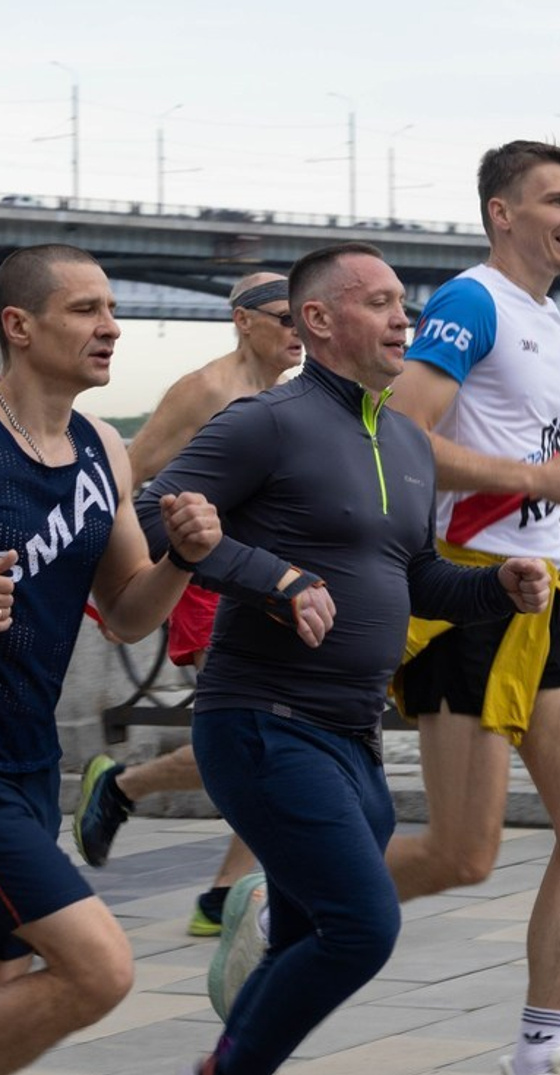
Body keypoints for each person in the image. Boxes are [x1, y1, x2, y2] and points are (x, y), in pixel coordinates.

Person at [137, 241, 550, 1075]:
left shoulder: (402, 441)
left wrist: (501, 588)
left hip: (351, 733)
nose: (404, 319)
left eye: (404, 302)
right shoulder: (265, 424)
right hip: (260, 720)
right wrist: (267, 578)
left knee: (313, 928)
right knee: (361, 927)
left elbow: (413, 579)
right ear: (318, 321)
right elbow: (162, 512)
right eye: (379, 303)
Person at [385, 140, 560, 1075]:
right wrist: (539, 482)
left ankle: (537, 1060)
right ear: (503, 212)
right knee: (462, 854)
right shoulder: (473, 300)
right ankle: (286, 904)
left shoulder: (541, 314)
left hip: (545, 585)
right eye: (555, 199)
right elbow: (401, 432)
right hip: (470, 592)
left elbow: (519, 449)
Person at [0, 243, 221, 1075]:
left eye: (112, 308)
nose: (113, 327)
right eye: (86, 310)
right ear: (18, 326)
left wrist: (182, 561)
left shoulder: (100, 446)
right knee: (99, 968)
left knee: (13, 994)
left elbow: (127, 613)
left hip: (30, 765)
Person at [74, 273, 303, 936]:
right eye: (285, 319)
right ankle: (224, 888)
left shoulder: (285, 396)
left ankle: (214, 880)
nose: (299, 333)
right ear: (244, 321)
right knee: (253, 732)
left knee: (262, 732)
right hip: (199, 581)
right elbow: (125, 477)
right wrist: (114, 593)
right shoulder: (206, 390)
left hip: (256, 575)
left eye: (302, 321)